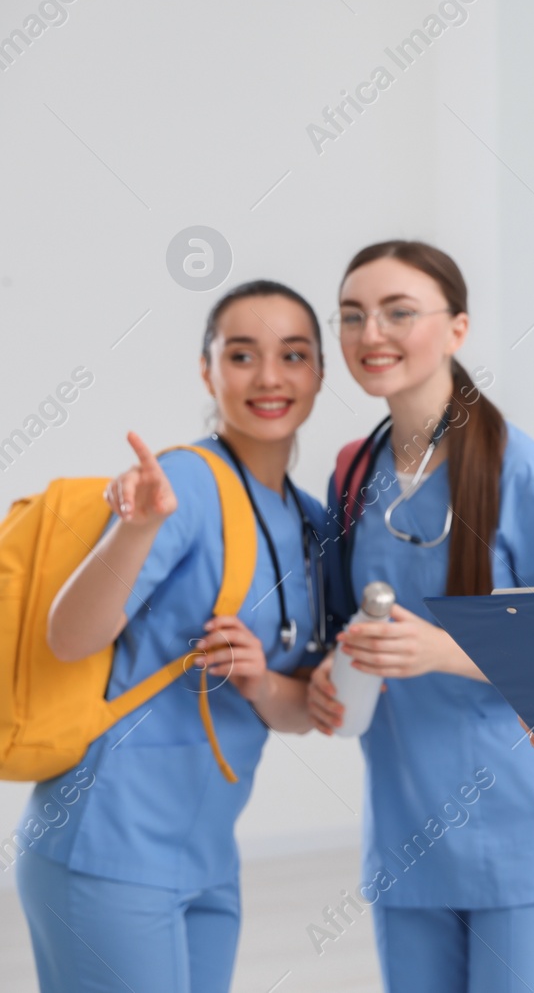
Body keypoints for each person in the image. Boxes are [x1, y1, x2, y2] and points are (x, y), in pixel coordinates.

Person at [306, 239, 534, 993]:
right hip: (407, 837)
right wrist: (323, 677)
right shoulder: (354, 474)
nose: (371, 333)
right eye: (352, 315)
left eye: (398, 311)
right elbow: (343, 631)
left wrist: (442, 649)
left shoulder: (523, 470)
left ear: (458, 328)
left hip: (523, 833)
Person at [16, 280, 330, 993]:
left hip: (209, 852)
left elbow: (298, 709)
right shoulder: (181, 483)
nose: (270, 376)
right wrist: (139, 527)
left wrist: (257, 678)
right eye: (242, 354)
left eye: (294, 354)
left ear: (319, 373)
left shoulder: (314, 522)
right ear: (206, 369)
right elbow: (69, 636)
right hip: (107, 846)